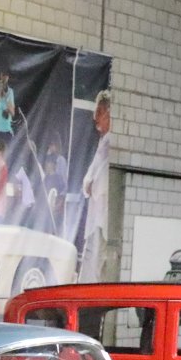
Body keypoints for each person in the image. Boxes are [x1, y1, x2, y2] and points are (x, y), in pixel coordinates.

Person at [79, 90, 112, 280]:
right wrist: (89, 185)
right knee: (90, 262)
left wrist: (92, 186)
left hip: (103, 219)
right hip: (94, 219)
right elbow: (87, 182)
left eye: (99, 112)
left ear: (108, 113)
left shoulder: (112, 141)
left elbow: (100, 181)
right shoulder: (103, 142)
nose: (95, 117)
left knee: (99, 266)